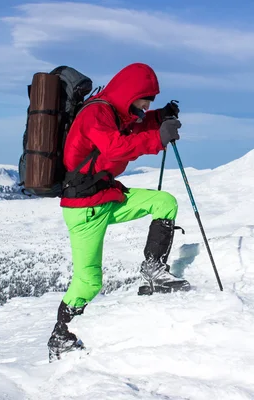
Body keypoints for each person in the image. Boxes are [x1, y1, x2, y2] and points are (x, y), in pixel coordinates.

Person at [47, 62, 191, 361]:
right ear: (129, 93)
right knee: (89, 281)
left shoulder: (115, 113)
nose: (145, 105)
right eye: (144, 99)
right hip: (84, 209)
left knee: (164, 202)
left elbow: (133, 127)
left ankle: (154, 271)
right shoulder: (95, 113)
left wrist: (158, 118)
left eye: (150, 101)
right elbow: (115, 147)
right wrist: (158, 138)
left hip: (105, 197)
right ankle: (60, 334)